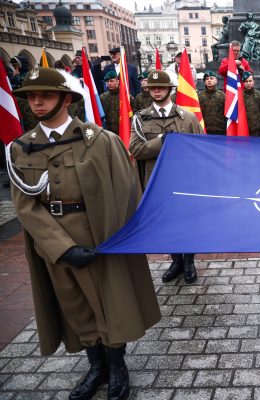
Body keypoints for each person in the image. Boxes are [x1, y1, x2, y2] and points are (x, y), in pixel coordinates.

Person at [6, 67, 160, 400]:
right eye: (31, 96)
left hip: (100, 238)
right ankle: (96, 367)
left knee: (109, 303)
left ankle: (117, 367)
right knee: (74, 306)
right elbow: (25, 205)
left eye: (45, 95)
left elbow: (126, 191)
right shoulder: (21, 148)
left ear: (65, 99)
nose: (37, 102)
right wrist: (60, 247)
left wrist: (116, 239)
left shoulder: (100, 140)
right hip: (53, 243)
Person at [130, 70, 202, 284]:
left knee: (187, 220)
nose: (157, 91)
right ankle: (176, 260)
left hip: (185, 179)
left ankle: (189, 260)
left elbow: (200, 149)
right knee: (166, 221)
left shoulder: (187, 117)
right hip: (156, 180)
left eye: (161, 87)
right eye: (153, 88)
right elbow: (135, 149)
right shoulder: (140, 119)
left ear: (170, 89)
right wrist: (161, 141)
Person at [100, 71, 133, 136]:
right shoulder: (102, 97)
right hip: (108, 131)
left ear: (118, 81)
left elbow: (132, 114)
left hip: (123, 129)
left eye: (112, 81)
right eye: (107, 82)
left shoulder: (126, 97)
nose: (109, 83)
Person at [241, 72, 260, 137]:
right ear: (243, 83)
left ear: (253, 81)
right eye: (246, 81)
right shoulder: (239, 96)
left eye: (250, 81)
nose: (248, 83)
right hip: (242, 131)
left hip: (257, 132)